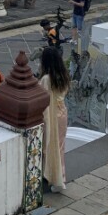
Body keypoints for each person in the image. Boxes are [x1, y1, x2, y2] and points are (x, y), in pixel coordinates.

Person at [39, 46, 70, 192]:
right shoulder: (63, 75)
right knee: (59, 147)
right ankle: (59, 176)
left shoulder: (46, 79)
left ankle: (54, 178)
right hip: (62, 113)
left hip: (50, 115)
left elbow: (42, 98)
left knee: (49, 147)